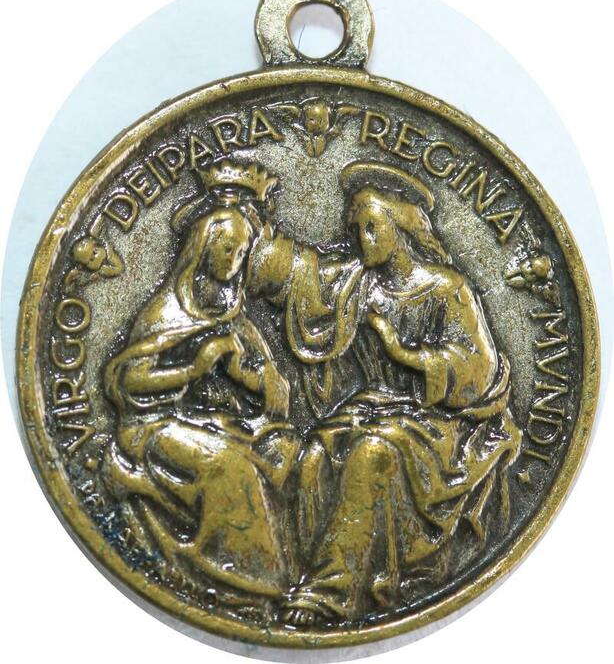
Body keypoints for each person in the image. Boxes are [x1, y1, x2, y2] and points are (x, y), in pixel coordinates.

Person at [282, 162, 523, 625]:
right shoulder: (358, 285)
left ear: (401, 226)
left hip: (440, 424)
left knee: (371, 454)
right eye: (356, 229)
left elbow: (477, 371)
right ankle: (307, 575)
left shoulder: (447, 288)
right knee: (312, 457)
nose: (362, 239)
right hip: (374, 409)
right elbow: (303, 278)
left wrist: (404, 353)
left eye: (372, 227)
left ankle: (329, 595)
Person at [102, 169, 300, 605]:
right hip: (153, 427)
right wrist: (196, 367)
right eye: (226, 249)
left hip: (214, 422)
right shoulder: (167, 312)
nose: (233, 261)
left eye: (242, 252)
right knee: (229, 466)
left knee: (288, 454)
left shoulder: (230, 312)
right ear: (203, 247)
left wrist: (257, 381)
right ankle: (240, 580)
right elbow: (126, 383)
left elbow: (265, 378)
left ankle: (284, 571)